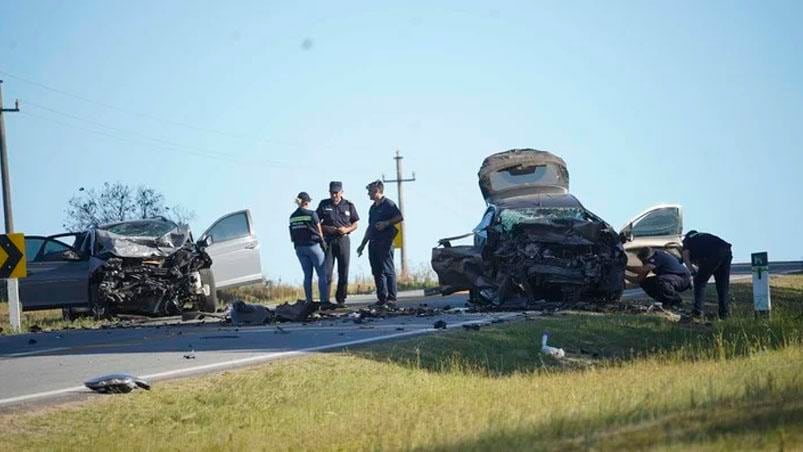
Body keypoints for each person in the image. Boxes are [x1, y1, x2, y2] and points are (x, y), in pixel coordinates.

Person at [356, 180, 403, 307]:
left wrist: (386, 223)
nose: (368, 194)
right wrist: (363, 244)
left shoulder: (388, 204)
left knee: (388, 270)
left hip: (386, 242)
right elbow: (370, 227)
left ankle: (392, 298)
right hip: (374, 242)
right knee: (377, 271)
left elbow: (400, 217)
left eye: (369, 191)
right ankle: (382, 298)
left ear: (377, 191)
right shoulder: (372, 208)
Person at [316, 181, 360, 306]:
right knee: (327, 272)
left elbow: (355, 223)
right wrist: (327, 229)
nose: (334, 195)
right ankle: (325, 300)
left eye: (336, 193)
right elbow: (316, 222)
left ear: (341, 192)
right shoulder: (324, 204)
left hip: (343, 240)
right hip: (328, 240)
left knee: (343, 270)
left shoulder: (348, 205)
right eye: (332, 193)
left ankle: (341, 299)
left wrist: (346, 229)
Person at [289, 192, 331, 309]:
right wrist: (323, 244)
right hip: (313, 246)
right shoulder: (312, 214)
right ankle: (324, 301)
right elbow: (319, 231)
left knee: (307, 275)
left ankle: (309, 301)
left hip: (299, 248)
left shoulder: (292, 217)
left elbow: (292, 234)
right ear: (306, 202)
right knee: (322, 274)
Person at [682, 230, 733, 320]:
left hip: (714, 253)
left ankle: (697, 311)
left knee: (699, 281)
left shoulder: (688, 239)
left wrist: (693, 271)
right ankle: (724, 314)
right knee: (723, 286)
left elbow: (686, 258)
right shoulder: (702, 238)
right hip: (726, 250)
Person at [625, 247, 690, 308]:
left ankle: (675, 301)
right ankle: (665, 301)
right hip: (671, 278)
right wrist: (623, 275)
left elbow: (640, 270)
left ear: (648, 257)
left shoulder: (657, 256)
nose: (643, 263)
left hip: (682, 278)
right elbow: (638, 279)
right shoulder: (649, 260)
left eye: (644, 261)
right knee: (645, 282)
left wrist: (624, 266)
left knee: (661, 280)